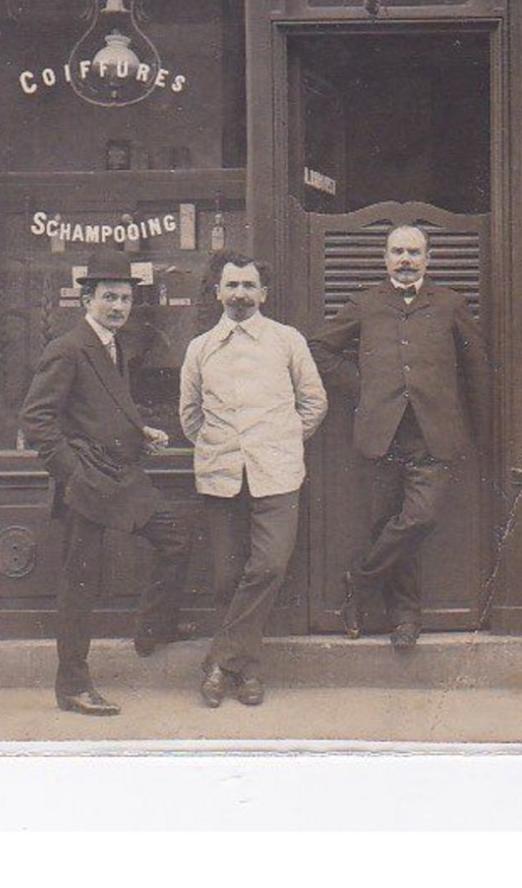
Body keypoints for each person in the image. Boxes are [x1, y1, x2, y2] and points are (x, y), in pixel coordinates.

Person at [20, 248, 193, 716]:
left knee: (174, 537)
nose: (118, 307)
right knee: (81, 584)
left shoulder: (113, 344)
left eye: (124, 298)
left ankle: (150, 629)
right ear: (86, 299)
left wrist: (141, 431)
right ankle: (72, 685)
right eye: (108, 297)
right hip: (88, 484)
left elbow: (104, 406)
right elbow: (37, 421)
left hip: (121, 478)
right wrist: (75, 474)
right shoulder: (68, 347)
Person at [309, 224, 490, 649]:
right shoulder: (365, 303)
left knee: (419, 518)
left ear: (428, 259)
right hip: (381, 433)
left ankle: (359, 581)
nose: (405, 260)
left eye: (414, 252)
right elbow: (319, 350)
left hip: (433, 435)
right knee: (387, 524)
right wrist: (363, 385)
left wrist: (480, 431)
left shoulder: (451, 304)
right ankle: (405, 620)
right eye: (397, 252)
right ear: (385, 258)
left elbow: (478, 368)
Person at [179, 252, 328, 708]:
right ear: (218, 292)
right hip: (221, 476)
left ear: (263, 294)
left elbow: (314, 402)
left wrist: (280, 440)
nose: (240, 294)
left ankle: (217, 662)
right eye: (232, 285)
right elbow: (190, 416)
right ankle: (247, 672)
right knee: (227, 579)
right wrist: (222, 446)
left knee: (268, 567)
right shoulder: (200, 348)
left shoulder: (287, 341)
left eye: (249, 286)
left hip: (277, 475)